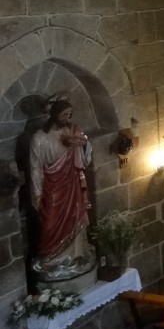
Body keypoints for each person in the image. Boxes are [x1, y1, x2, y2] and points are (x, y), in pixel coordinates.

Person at [29, 100, 96, 279]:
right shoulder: (40, 138)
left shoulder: (71, 131)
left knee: (75, 215)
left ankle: (76, 253)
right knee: (50, 221)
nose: (68, 118)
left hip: (71, 183)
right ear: (54, 114)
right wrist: (36, 193)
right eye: (64, 114)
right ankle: (52, 257)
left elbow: (86, 154)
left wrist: (81, 144)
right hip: (52, 187)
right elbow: (35, 166)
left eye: (70, 114)